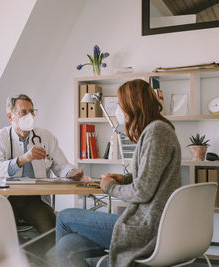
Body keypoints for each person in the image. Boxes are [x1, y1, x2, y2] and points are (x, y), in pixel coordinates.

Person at [55, 79, 181, 267]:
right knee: (67, 244)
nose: (119, 110)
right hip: (150, 222)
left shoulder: (156, 132)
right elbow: (150, 176)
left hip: (145, 226)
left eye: (121, 105)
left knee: (64, 217)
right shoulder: (158, 129)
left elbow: (142, 191)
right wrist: (123, 178)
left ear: (133, 105)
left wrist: (110, 187)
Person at [0, 94, 83, 254]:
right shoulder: (0, 137)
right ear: (10, 116)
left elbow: (61, 165)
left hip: (34, 200)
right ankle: (24, 255)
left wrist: (72, 172)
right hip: (8, 198)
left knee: (55, 231)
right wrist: (24, 158)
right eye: (23, 112)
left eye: (32, 111)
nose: (29, 116)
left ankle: (27, 255)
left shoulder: (45, 136)